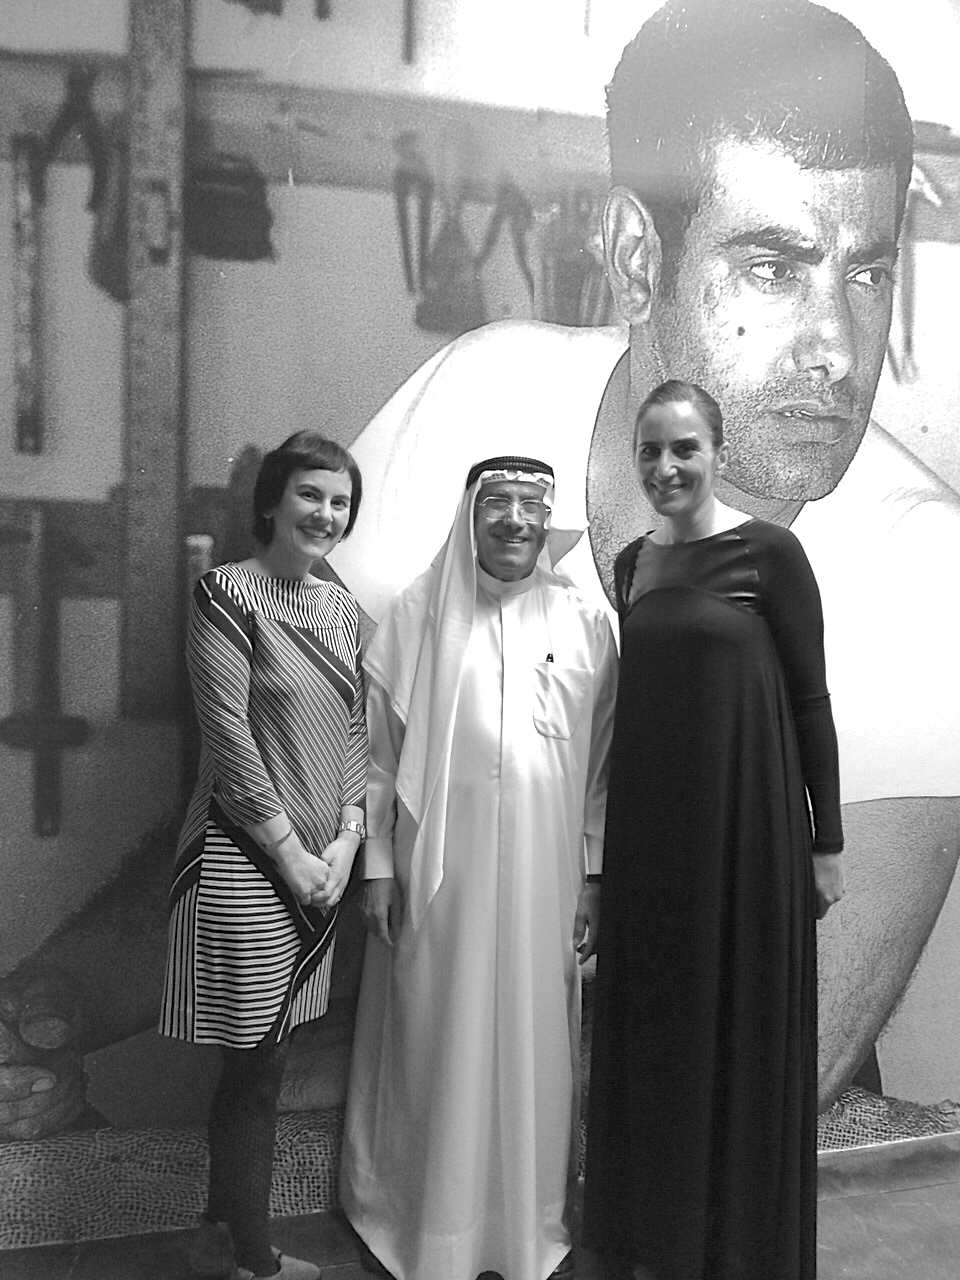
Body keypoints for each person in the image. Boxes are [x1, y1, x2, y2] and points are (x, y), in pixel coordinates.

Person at [328, 0, 960, 1114]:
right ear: (635, 258)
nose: (836, 349)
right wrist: (55, 1003)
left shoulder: (921, 570)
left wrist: (357, 1076)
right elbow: (269, 784)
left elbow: (771, 1059)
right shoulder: (476, 407)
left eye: (866, 273)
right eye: (773, 270)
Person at [581, 379, 843, 1280]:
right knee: (662, 1031)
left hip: (749, 837)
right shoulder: (630, 566)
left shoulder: (771, 553)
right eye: (650, 451)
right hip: (654, 843)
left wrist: (827, 842)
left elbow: (810, 699)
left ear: (718, 453)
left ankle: (734, 1249)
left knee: (739, 1029)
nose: (666, 467)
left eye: (684, 448)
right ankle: (659, 1239)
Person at [340, 457, 618, 1280]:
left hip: (546, 881)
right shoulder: (418, 615)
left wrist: (594, 876)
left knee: (537, 1046)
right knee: (435, 1034)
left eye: (531, 505)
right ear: (470, 513)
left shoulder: (585, 622)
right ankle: (431, 1225)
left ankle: (524, 1224)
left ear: (548, 519)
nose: (515, 520)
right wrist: (379, 868)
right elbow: (378, 759)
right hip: (439, 880)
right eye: (497, 502)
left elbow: (602, 770)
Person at [158, 431, 368, 1280]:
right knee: (256, 1064)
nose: (325, 514)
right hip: (243, 859)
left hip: (322, 867)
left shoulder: (343, 610)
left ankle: (222, 1231)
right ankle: (253, 1259)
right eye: (310, 494)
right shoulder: (226, 594)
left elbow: (354, 730)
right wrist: (291, 855)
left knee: (263, 1059)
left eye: (340, 501)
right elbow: (230, 737)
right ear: (273, 502)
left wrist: (348, 839)